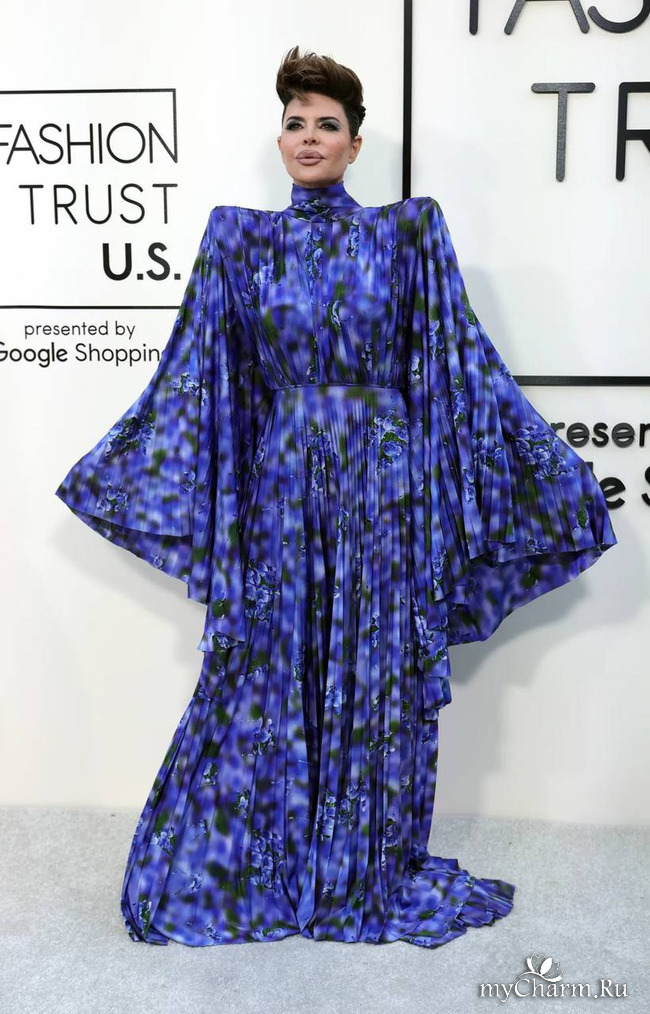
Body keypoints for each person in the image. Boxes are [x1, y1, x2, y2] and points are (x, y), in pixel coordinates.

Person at [55, 45, 616, 948]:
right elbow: (201, 379)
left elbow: (460, 367)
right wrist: (128, 476)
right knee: (265, 669)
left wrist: (546, 480)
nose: (309, 137)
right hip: (284, 488)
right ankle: (265, 863)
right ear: (279, 140)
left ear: (356, 145)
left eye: (327, 125)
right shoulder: (238, 240)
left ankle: (362, 868)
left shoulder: (408, 232)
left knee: (374, 675)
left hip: (385, 489)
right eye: (295, 123)